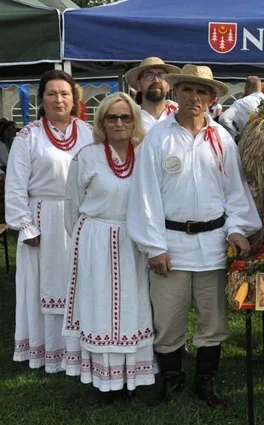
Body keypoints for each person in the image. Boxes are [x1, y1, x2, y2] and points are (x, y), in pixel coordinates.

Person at [127, 64, 261, 406]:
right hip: (170, 245)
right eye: (187, 90)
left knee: (213, 319)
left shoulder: (222, 139)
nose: (194, 97)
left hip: (213, 246)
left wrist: (235, 230)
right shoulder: (158, 138)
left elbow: (235, 193)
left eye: (202, 92)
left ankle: (206, 383)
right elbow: (145, 195)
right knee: (168, 321)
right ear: (176, 92)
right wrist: (154, 247)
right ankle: (171, 382)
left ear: (212, 97)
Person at [62, 93, 155, 399]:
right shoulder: (86, 156)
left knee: (134, 305)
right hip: (96, 239)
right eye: (112, 117)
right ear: (101, 121)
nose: (118, 123)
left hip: (133, 240)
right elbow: (72, 206)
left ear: (134, 121)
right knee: (98, 307)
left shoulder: (145, 154)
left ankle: (132, 377)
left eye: (125, 117)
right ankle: (103, 379)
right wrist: (84, 242)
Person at [5, 70, 93, 373]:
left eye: (65, 93)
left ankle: (81, 349)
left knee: (80, 284)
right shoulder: (29, 136)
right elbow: (15, 186)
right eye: (52, 93)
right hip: (43, 220)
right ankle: (48, 351)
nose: (59, 99)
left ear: (74, 99)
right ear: (42, 99)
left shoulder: (89, 132)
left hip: (81, 220)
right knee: (42, 285)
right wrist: (26, 226)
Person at [126, 57, 181, 133]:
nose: (156, 80)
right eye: (149, 75)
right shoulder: (128, 118)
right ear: (139, 85)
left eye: (161, 75)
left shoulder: (180, 114)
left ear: (168, 85)